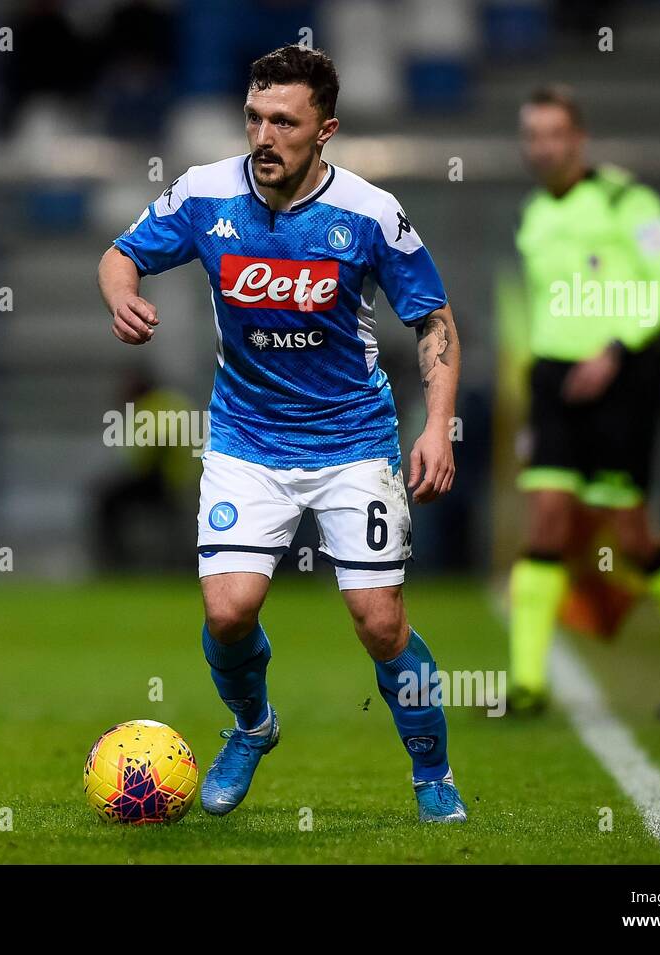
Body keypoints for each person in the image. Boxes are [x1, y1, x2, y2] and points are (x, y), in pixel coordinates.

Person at [97, 45, 466, 822]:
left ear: (324, 129)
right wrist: (122, 296)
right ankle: (252, 725)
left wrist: (437, 426)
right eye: (254, 118)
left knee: (380, 621)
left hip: (354, 442)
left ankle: (432, 773)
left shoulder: (369, 214)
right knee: (228, 612)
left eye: (284, 122)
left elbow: (433, 318)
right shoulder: (205, 193)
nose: (264, 137)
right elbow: (120, 253)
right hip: (245, 440)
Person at [509, 84, 660, 719]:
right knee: (546, 516)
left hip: (622, 381)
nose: (544, 147)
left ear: (579, 139)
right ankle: (526, 683)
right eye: (533, 136)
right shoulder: (533, 214)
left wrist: (616, 349)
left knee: (630, 534)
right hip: (553, 383)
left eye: (555, 134)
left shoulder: (629, 200)